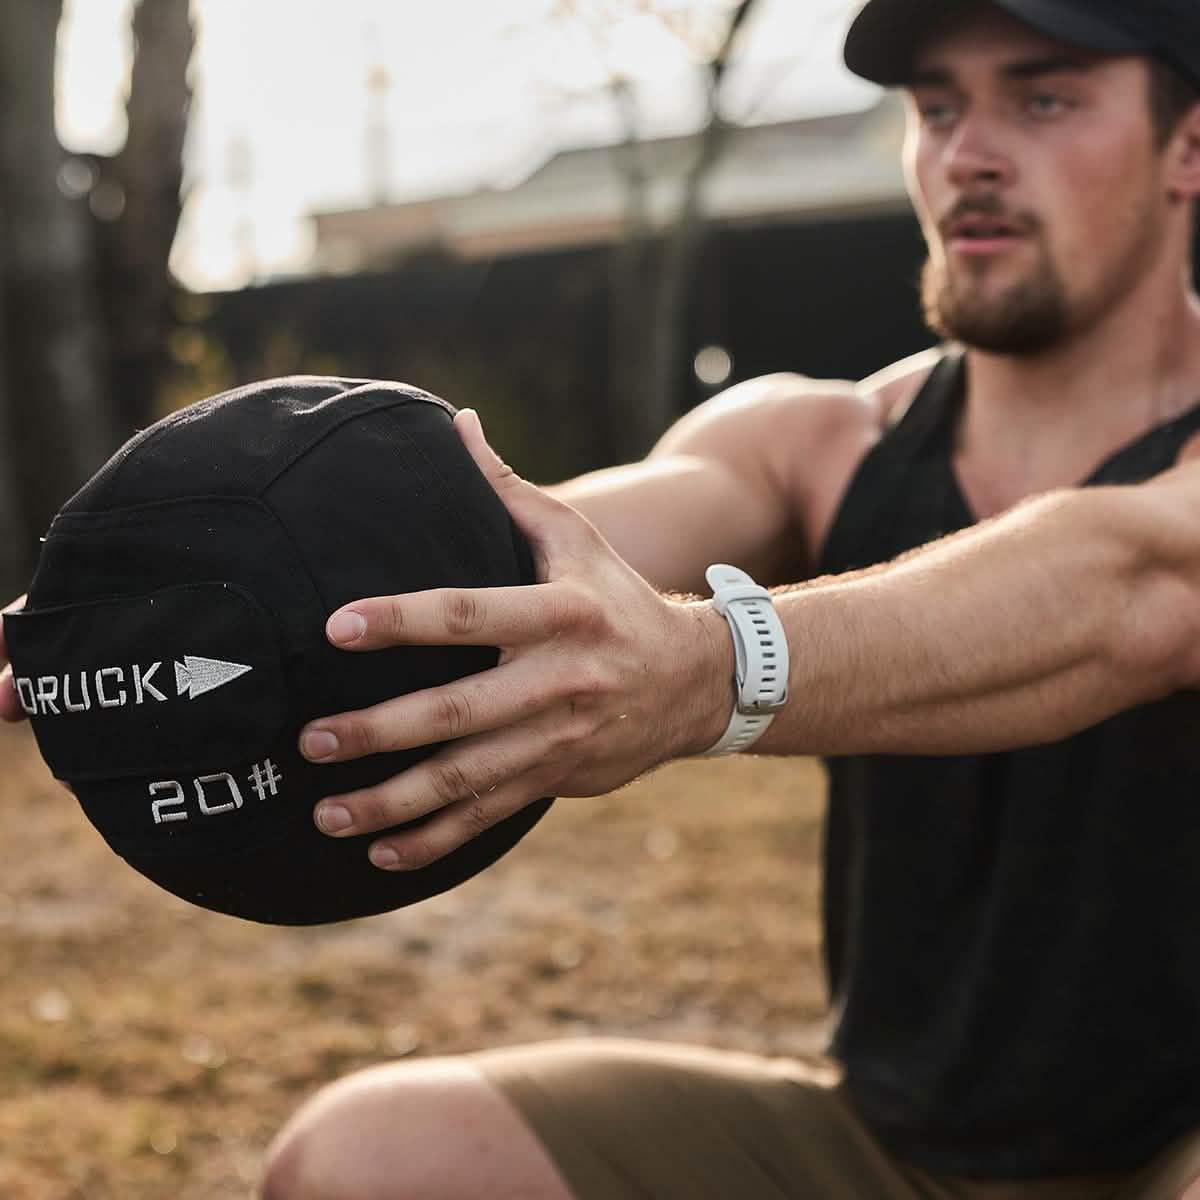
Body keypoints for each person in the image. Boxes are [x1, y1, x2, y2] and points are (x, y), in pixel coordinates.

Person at [6, 1, 1200, 1196]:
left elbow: (1132, 582)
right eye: (939, 107)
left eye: (1044, 99)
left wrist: (708, 672)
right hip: (893, 1149)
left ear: (1186, 146)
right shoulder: (816, 440)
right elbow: (506, 557)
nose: (968, 153)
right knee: (371, 1160)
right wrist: (144, 616)